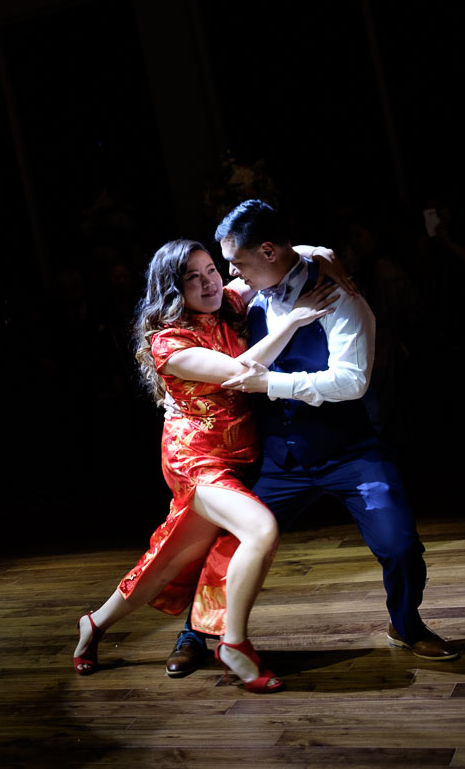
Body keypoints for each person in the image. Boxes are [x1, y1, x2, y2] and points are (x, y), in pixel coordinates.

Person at [164, 200, 459, 677]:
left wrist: (269, 384)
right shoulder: (249, 292)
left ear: (266, 250)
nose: (229, 275)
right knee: (226, 540)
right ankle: (196, 634)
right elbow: (289, 255)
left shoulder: (340, 297)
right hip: (281, 455)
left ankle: (406, 625)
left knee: (399, 544)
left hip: (350, 451)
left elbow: (351, 381)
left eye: (236, 263)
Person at [73, 238, 338, 691]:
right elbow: (240, 372)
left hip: (239, 455)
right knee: (260, 528)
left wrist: (315, 251)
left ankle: (93, 625)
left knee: (167, 563)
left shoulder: (228, 299)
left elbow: (264, 262)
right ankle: (233, 643)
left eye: (211, 270)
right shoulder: (169, 342)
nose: (208, 282)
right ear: (173, 290)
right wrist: (292, 321)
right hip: (196, 460)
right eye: (192, 278)